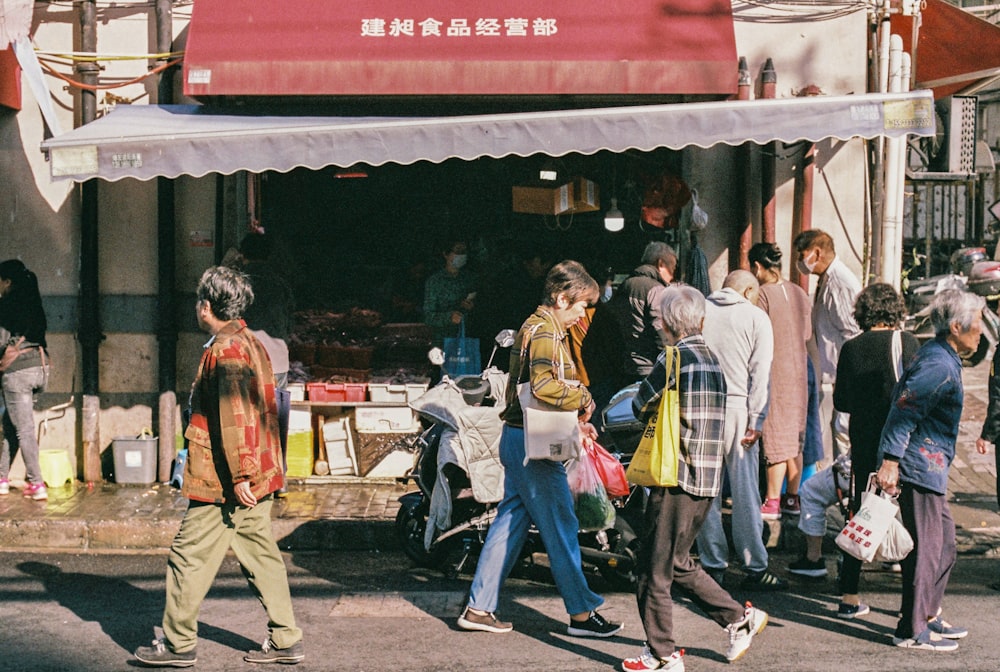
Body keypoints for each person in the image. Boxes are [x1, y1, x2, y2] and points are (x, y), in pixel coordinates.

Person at [133, 266, 304, 667]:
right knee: (260, 555)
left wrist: (241, 474)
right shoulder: (249, 341)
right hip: (257, 471)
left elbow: (234, 416)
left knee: (187, 557)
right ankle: (285, 638)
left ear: (206, 306)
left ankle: (177, 645)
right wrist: (254, 471)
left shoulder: (225, 351)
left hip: (223, 478)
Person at [456, 261, 623, 639]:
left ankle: (479, 608)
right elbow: (545, 386)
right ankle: (582, 613)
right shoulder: (546, 331)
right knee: (561, 525)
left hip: (519, 438)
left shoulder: (534, 326)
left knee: (511, 519)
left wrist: (574, 421)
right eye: (580, 305)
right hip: (534, 444)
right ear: (561, 298)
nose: (584, 313)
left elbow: (535, 391)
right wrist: (582, 395)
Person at [622, 286, 767, 672]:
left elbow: (639, 406)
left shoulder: (671, 360)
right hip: (706, 482)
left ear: (667, 325)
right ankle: (739, 617)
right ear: (700, 321)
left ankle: (662, 655)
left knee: (652, 572)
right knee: (679, 563)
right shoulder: (713, 360)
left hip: (674, 477)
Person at [790, 284, 919, 619]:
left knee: (861, 516)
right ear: (895, 310)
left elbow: (843, 402)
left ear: (864, 312)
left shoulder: (851, 348)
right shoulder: (906, 343)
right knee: (908, 518)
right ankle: (912, 606)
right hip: (898, 446)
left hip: (863, 445)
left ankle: (849, 595)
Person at [875, 288, 983, 652]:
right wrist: (890, 460)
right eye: (977, 324)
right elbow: (904, 410)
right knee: (926, 549)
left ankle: (929, 613)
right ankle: (911, 629)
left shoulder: (942, 356)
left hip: (931, 467)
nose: (981, 331)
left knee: (945, 544)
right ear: (956, 327)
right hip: (918, 466)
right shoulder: (938, 363)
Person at [697, 270, 786, 590]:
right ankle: (755, 565)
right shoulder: (755, 317)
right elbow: (760, 373)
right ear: (748, 291)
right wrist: (757, 420)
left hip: (702, 408)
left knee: (707, 490)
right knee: (746, 489)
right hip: (739, 408)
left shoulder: (699, 311)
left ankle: (712, 561)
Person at [748, 242, 811, 520]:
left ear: (757, 267)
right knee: (795, 435)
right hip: (799, 370)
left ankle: (772, 500)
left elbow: (757, 334)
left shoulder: (762, 295)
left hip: (774, 369)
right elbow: (807, 333)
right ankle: (792, 498)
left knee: (775, 433)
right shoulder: (799, 292)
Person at [583, 242, 677, 418]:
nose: (673, 275)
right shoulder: (655, 289)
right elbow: (661, 334)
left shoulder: (626, 285)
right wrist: (673, 363)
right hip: (649, 369)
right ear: (661, 264)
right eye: (673, 267)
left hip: (625, 369)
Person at [793, 229, 862, 463]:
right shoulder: (827, 279)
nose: (800, 262)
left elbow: (852, 331)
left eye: (802, 255)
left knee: (842, 432)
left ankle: (846, 488)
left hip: (843, 374)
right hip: (830, 372)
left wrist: (848, 375)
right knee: (832, 433)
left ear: (816, 253)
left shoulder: (840, 282)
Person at [0, 260, 51, 501]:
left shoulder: (6, 305)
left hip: (18, 373)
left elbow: (1, 342)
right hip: (41, 368)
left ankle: (36, 483)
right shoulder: (34, 302)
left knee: (24, 429)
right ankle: (1, 479)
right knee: (13, 424)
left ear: (7, 282)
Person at [423, 237, 475, 347]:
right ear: (446, 254)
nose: (461, 255)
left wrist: (468, 307)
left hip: (466, 340)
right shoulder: (435, 282)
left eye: (464, 252)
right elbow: (428, 317)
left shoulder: (468, 279)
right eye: (457, 251)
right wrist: (448, 317)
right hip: (442, 341)